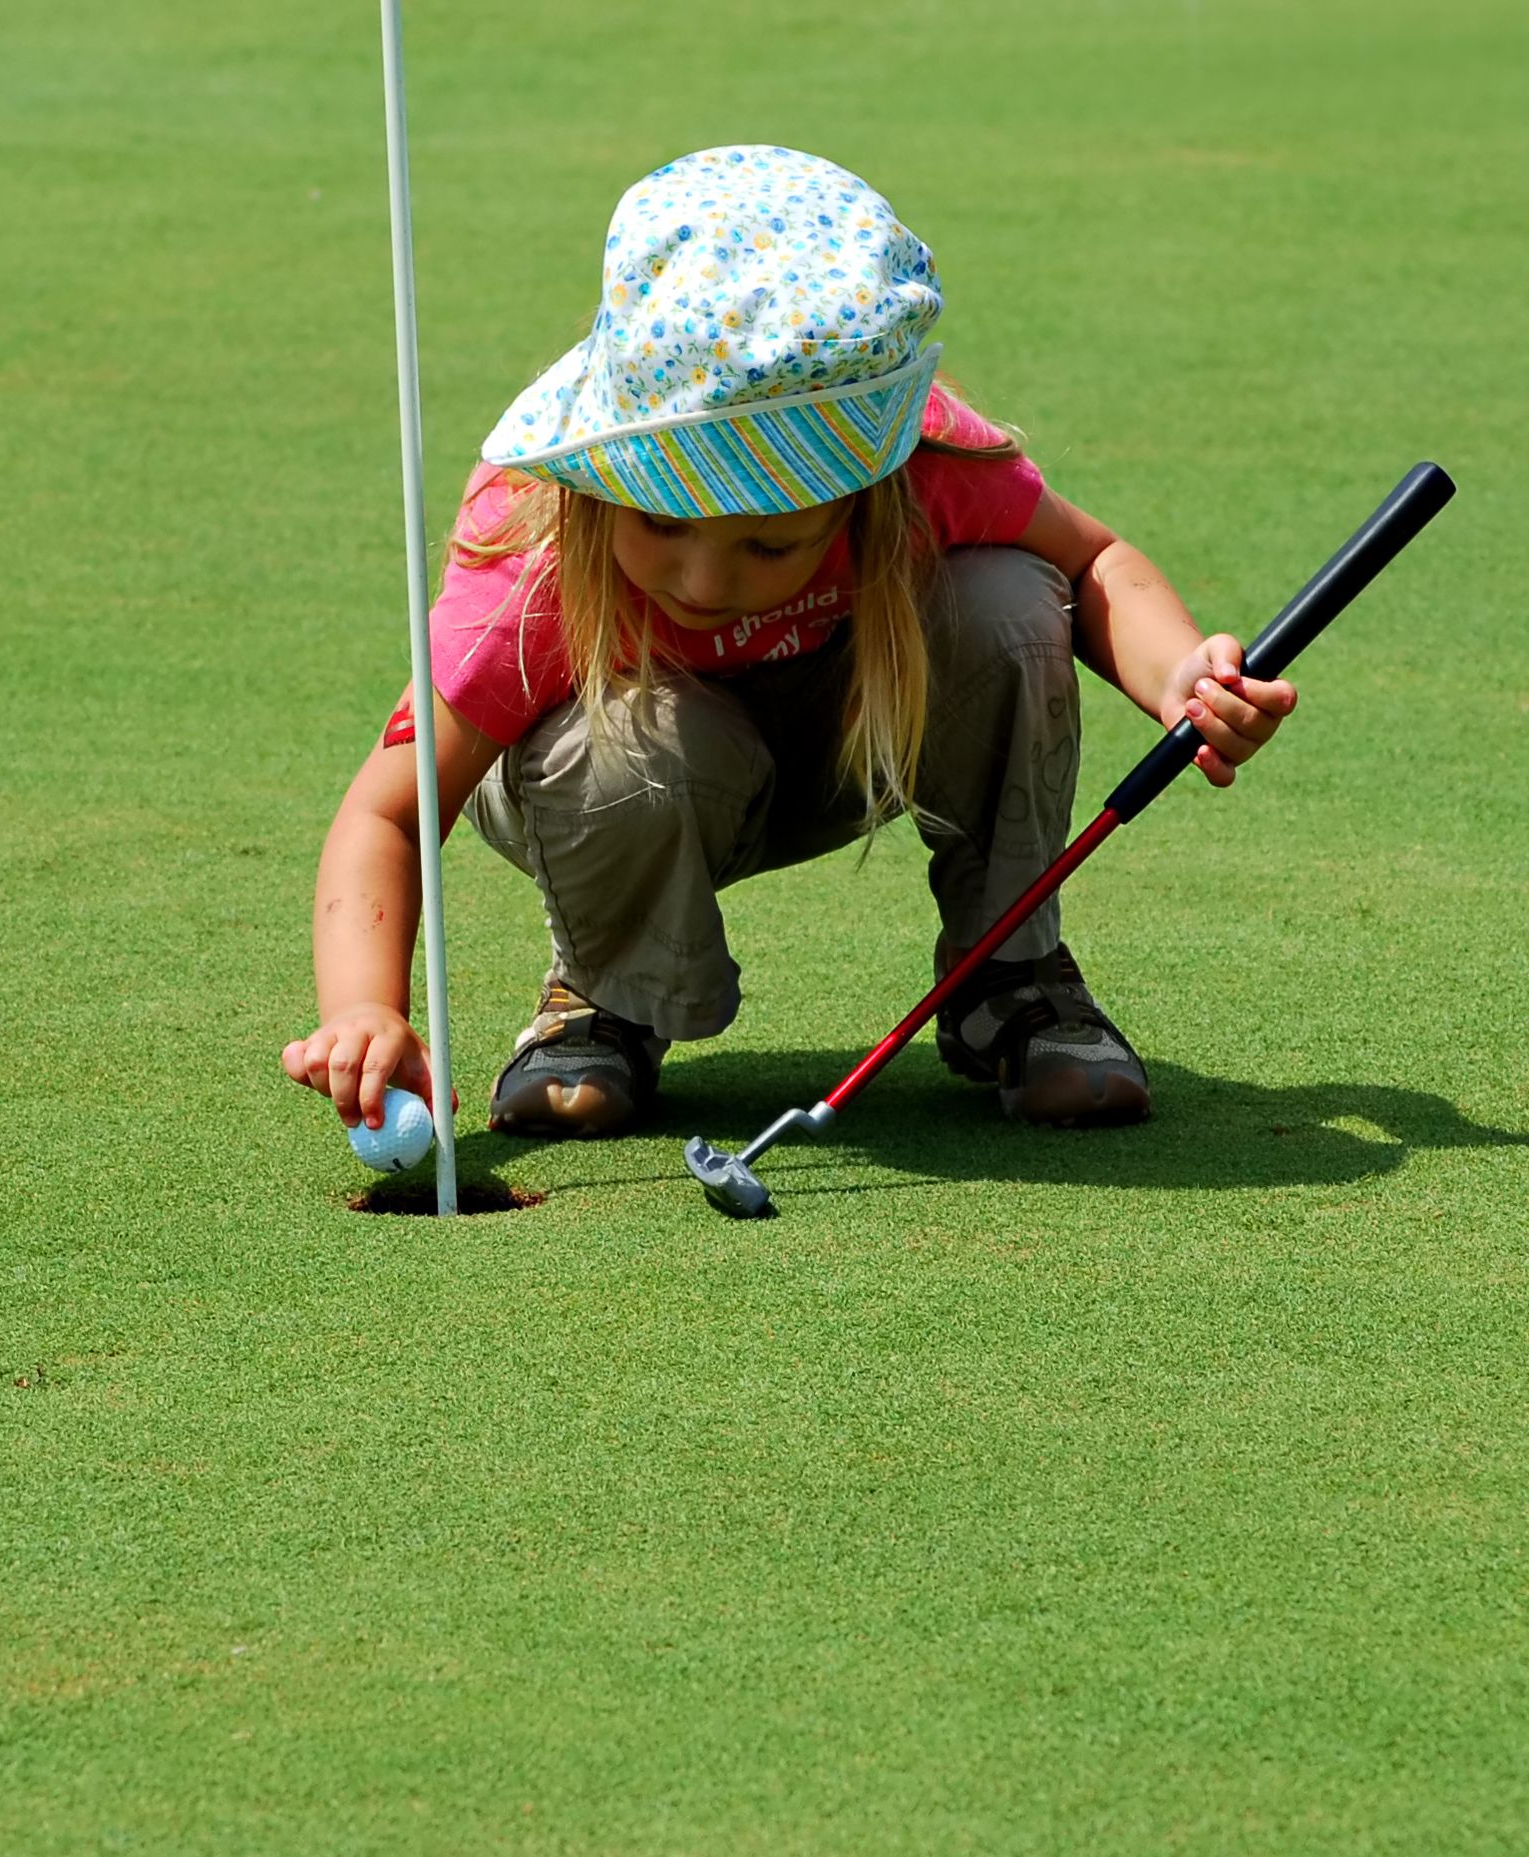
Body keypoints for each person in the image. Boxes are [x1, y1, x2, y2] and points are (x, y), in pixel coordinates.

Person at [284, 145, 1292, 1141]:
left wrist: (1180, 676)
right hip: (622, 785)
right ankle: (604, 1002)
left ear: (862, 493)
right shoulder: (536, 561)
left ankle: (1010, 975)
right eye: (662, 520)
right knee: (631, 749)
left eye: (768, 543)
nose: (701, 582)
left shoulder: (922, 471)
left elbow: (1094, 559)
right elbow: (389, 811)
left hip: (853, 740)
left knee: (1012, 602)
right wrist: (365, 1009)